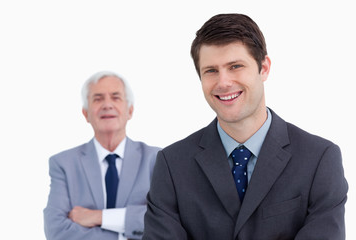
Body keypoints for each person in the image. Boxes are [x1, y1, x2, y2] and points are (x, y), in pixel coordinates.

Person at [143, 13, 348, 240]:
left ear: (264, 68)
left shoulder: (319, 159)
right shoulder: (172, 165)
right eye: (211, 71)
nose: (223, 82)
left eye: (235, 66)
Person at [44, 71, 160, 240]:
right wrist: (125, 231)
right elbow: (56, 230)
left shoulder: (156, 159)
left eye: (116, 97)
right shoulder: (63, 164)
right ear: (85, 114)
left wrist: (98, 217)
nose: (107, 105)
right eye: (98, 99)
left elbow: (164, 220)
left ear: (130, 111)